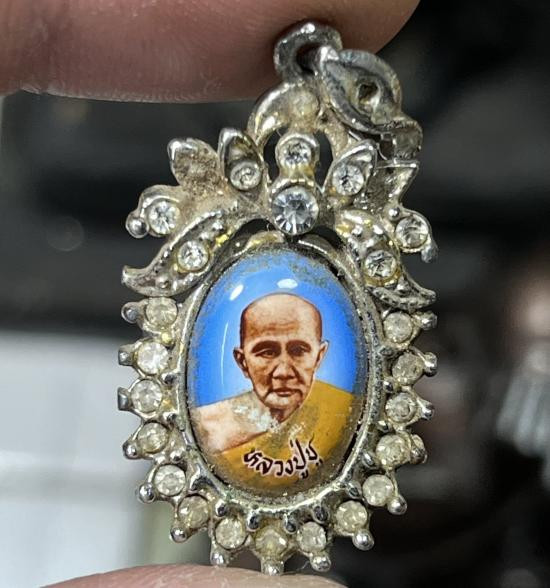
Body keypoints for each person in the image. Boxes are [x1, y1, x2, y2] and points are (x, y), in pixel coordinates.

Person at [5, 2, 419, 586]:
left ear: (323, 355)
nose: (282, 368)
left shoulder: (334, 406)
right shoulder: (219, 423)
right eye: (266, 350)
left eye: (298, 350)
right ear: (239, 359)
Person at [192, 292, 356, 490]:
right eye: (267, 352)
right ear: (242, 362)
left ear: (319, 357)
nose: (283, 372)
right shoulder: (208, 429)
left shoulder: (346, 412)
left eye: (298, 351)